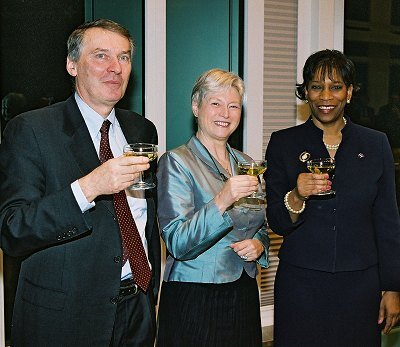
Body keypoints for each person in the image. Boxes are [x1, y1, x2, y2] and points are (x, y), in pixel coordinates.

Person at [0, 19, 160, 346]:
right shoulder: (31, 129)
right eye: (101, 56)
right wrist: (87, 188)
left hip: (137, 310)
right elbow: (12, 230)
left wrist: (150, 290)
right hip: (66, 318)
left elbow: (143, 217)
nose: (115, 68)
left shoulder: (142, 130)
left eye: (125, 57)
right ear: (72, 65)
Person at [264, 49, 400, 347]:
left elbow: (388, 220)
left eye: (336, 86)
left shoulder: (375, 143)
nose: (326, 96)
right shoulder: (283, 143)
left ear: (349, 92)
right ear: (306, 93)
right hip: (301, 284)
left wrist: (392, 287)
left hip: (361, 285)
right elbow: (277, 222)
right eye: (316, 86)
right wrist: (297, 194)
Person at [156, 68, 269, 346]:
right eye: (215, 103)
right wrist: (222, 199)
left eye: (233, 106)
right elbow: (178, 242)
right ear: (196, 107)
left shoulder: (246, 162)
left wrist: (259, 245)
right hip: (195, 296)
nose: (225, 113)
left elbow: (260, 224)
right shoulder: (176, 162)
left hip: (243, 291)